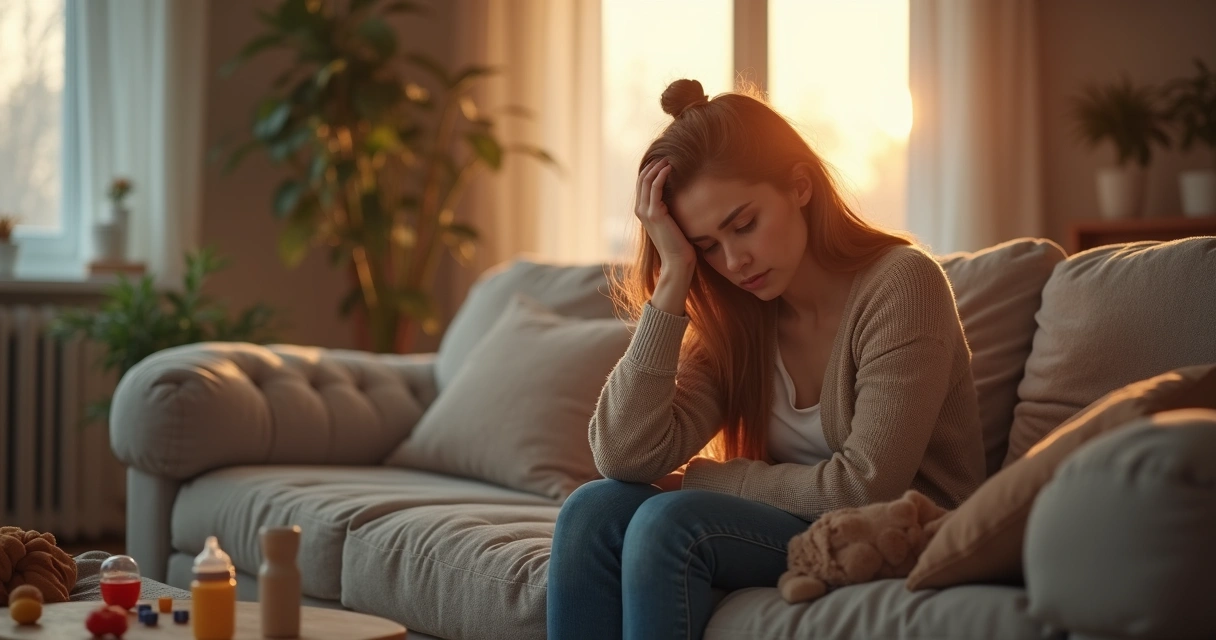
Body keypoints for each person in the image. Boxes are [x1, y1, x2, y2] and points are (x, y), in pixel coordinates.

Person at [546, 79, 985, 640]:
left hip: (903, 536)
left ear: (799, 186)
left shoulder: (902, 284)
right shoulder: (744, 316)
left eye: (743, 224)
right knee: (593, 510)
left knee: (668, 522)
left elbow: (864, 489)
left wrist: (702, 480)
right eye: (706, 245)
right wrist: (674, 276)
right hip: (799, 530)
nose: (733, 260)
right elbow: (624, 455)